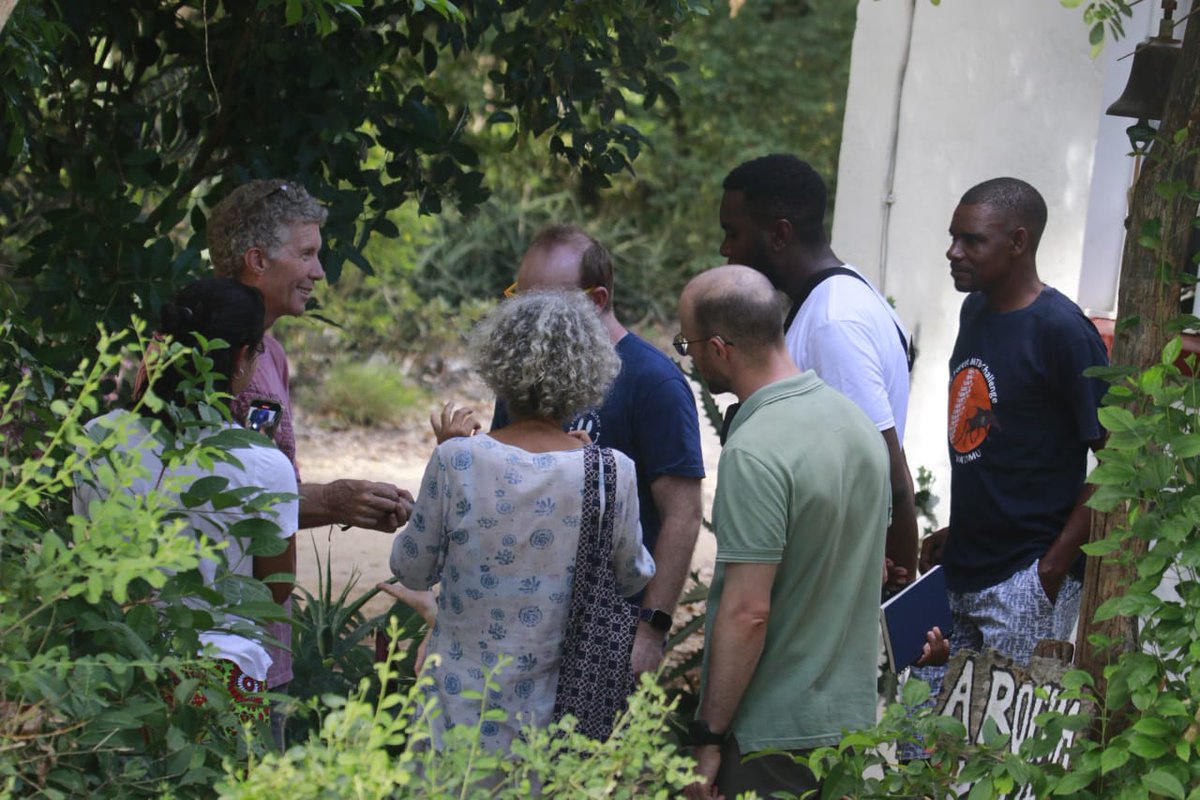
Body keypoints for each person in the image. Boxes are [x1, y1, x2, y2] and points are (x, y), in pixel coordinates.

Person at [389, 291, 655, 751]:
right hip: (555, 719)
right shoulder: (611, 472)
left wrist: (442, 455)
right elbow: (633, 577)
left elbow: (411, 568)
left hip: (457, 713)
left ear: (498, 365)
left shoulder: (457, 460)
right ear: (590, 372)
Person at [677, 265, 890, 799]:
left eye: (689, 345)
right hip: (850, 723)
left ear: (719, 348)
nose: (692, 357)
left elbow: (748, 613)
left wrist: (707, 736)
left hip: (770, 736)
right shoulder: (858, 426)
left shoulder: (755, 451)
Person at [206, 179, 414, 717]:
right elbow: (210, 496)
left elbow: (263, 488)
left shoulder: (269, 352)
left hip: (260, 641)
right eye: (308, 254)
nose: (320, 272)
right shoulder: (195, 355)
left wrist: (347, 501)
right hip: (212, 643)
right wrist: (332, 501)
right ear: (257, 260)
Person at [74, 278, 299, 728]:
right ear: (242, 359)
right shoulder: (262, 464)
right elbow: (274, 589)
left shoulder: (97, 439)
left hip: (118, 668)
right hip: (221, 680)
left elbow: (86, 559)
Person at [488, 225, 705, 675]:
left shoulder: (654, 381)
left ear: (598, 299)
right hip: (521, 624)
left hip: (610, 631)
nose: (526, 316)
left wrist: (651, 629)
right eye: (519, 297)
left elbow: (681, 516)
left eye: (544, 301)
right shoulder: (526, 375)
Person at [919, 177, 1108, 664]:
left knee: (1001, 741)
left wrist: (1052, 568)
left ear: (1018, 242)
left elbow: (1119, 461)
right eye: (952, 236)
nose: (953, 252)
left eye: (972, 240)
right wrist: (958, 534)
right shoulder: (975, 309)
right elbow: (991, 438)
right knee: (923, 737)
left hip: (1025, 581)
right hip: (961, 570)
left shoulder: (1062, 331)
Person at [719, 155, 918, 590]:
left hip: (840, 588)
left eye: (733, 233)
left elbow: (887, 476)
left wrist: (897, 602)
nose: (725, 250)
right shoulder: (838, 296)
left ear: (780, 233)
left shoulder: (834, 321)